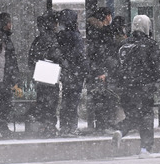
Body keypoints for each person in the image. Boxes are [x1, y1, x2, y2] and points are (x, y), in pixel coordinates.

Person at [112, 15, 160, 158]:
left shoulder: (124, 45)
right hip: (144, 88)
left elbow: (115, 66)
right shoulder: (150, 45)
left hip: (126, 88)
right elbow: (158, 68)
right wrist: (158, 81)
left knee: (134, 115)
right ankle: (145, 149)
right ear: (148, 27)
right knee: (146, 116)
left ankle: (121, 131)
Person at [28, 11, 62, 137]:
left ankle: (43, 124)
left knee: (42, 100)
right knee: (51, 101)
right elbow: (57, 55)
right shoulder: (54, 38)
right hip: (51, 73)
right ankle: (49, 125)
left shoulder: (38, 39)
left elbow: (31, 58)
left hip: (41, 74)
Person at [57, 9, 89, 137]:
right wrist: (85, 70)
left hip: (66, 72)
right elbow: (81, 56)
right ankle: (71, 127)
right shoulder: (76, 36)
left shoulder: (60, 36)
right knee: (73, 101)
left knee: (66, 99)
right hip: (76, 73)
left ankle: (64, 126)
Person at [86, 7, 118, 133]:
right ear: (107, 17)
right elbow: (103, 52)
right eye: (110, 15)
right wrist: (102, 70)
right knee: (106, 97)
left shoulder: (94, 31)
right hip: (103, 69)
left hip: (99, 69)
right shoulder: (104, 32)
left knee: (100, 97)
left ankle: (101, 124)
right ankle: (104, 124)